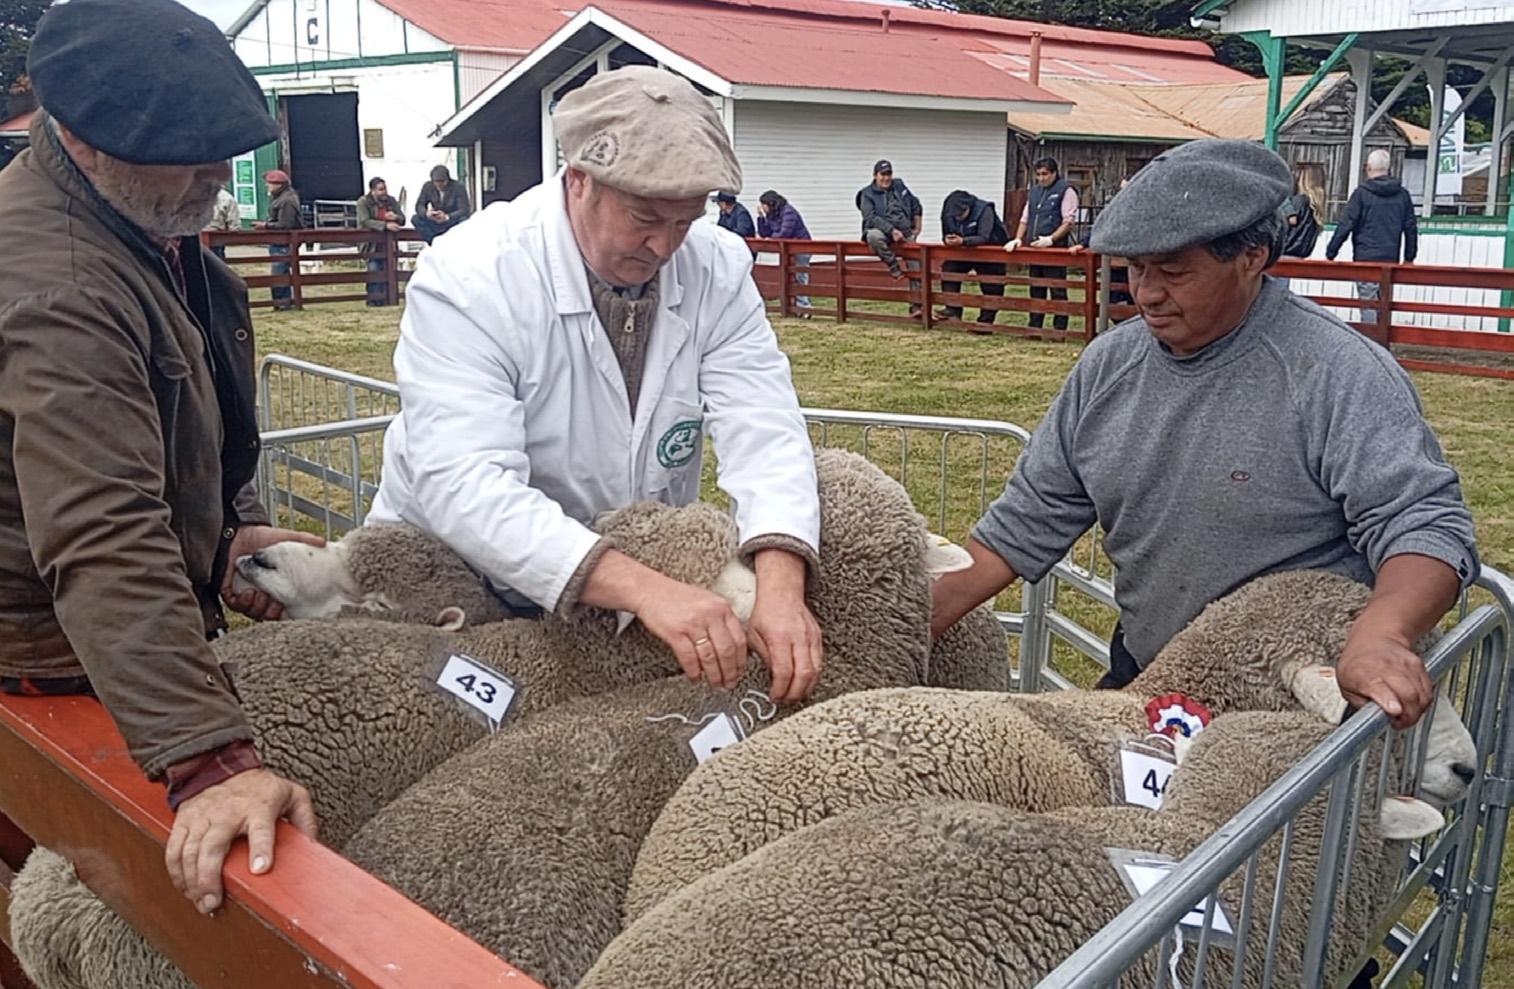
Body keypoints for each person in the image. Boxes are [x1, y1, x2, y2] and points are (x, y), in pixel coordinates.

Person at [931, 139, 1477, 732]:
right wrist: (902, 627)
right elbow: (1026, 520)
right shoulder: (1107, 367)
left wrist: (1383, 633)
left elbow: (1423, 523)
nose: (1146, 293)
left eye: (1173, 272)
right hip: (1156, 681)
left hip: (1288, 704)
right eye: (1136, 268)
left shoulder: (1335, 373)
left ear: (1252, 257)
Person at [0, 0, 323, 918]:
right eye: (185, 152)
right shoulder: (62, 289)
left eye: (224, 149)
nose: (214, 175)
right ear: (81, 134)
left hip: (108, 641)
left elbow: (174, 411)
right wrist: (209, 759)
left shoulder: (137, 221)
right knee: (95, 902)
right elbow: (100, 526)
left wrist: (224, 536)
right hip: (52, 656)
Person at [369, 66, 825, 703]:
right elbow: (465, 481)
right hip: (449, 581)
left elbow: (763, 423)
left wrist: (780, 587)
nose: (665, 246)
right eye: (645, 218)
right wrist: (648, 590)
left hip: (613, 589)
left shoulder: (716, 268)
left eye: (686, 220)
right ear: (579, 179)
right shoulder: (472, 276)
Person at [1326, 149, 1418, 326]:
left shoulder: (1361, 194)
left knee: (1368, 304)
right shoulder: (1402, 195)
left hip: (1365, 257)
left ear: (1368, 168)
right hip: (1390, 258)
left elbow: (1346, 224)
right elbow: (1410, 227)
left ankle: (1370, 338)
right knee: (1384, 304)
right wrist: (1409, 257)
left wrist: (1331, 252)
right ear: (1388, 168)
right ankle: (1381, 338)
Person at [1006, 157, 1079, 330]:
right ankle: (1035, 326)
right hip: (1035, 248)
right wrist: (1018, 238)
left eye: (1045, 174)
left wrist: (1051, 239)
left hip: (1055, 250)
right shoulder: (1034, 192)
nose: (1041, 178)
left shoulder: (1066, 191)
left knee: (1057, 290)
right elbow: (1025, 218)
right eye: (1038, 174)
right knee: (1036, 289)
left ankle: (1059, 330)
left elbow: (1068, 221)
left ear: (1054, 173)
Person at [856, 160, 923, 317]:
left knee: (917, 267)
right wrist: (891, 230)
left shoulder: (899, 186)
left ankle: (917, 306)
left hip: (905, 232)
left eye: (889, 174)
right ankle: (894, 267)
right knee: (873, 236)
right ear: (875, 175)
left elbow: (915, 204)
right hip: (883, 232)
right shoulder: (866, 194)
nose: (886, 178)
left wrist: (917, 227)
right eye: (883, 174)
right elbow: (870, 217)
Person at [935, 189, 1009, 328]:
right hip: (964, 251)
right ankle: (952, 309)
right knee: (949, 270)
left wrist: (963, 241)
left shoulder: (985, 210)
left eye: (960, 214)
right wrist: (947, 240)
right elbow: (945, 233)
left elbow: (984, 236)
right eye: (954, 216)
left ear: (968, 207)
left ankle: (984, 323)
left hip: (991, 251)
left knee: (992, 286)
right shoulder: (948, 212)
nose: (957, 218)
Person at [757, 190, 813, 315]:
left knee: (800, 276)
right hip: (788, 249)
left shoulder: (788, 212)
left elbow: (785, 233)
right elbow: (765, 232)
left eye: (763, 204)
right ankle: (794, 307)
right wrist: (761, 218)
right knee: (790, 277)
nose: (762, 207)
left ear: (770, 203)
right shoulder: (773, 214)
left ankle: (804, 307)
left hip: (801, 247)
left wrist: (771, 239)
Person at [253, 168, 302, 311]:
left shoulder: (286, 200)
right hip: (280, 241)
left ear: (278, 185)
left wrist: (265, 226)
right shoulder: (284, 197)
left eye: (269, 183)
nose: (267, 185)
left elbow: (285, 224)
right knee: (280, 271)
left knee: (279, 271)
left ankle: (282, 302)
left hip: (283, 242)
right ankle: (282, 302)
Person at [357, 176, 403, 306]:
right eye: (381, 189)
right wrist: (384, 225)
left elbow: (402, 218)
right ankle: (373, 299)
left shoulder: (391, 201)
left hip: (388, 242)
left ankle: (387, 298)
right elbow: (365, 220)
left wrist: (395, 217)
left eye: (385, 188)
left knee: (388, 269)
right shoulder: (363, 202)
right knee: (374, 269)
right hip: (371, 243)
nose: (384, 192)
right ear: (373, 190)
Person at [412, 164, 472, 243]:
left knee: (463, 220)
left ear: (448, 179)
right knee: (416, 219)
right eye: (436, 182)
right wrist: (427, 213)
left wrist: (447, 217)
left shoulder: (458, 187)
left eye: (442, 182)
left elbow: (464, 209)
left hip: (451, 220)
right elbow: (419, 205)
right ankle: (433, 242)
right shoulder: (427, 186)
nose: (439, 185)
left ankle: (456, 242)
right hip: (435, 219)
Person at [205, 186, 239, 259]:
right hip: (216, 237)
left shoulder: (192, 194)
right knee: (216, 261)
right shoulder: (227, 198)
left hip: (194, 237)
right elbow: (234, 224)